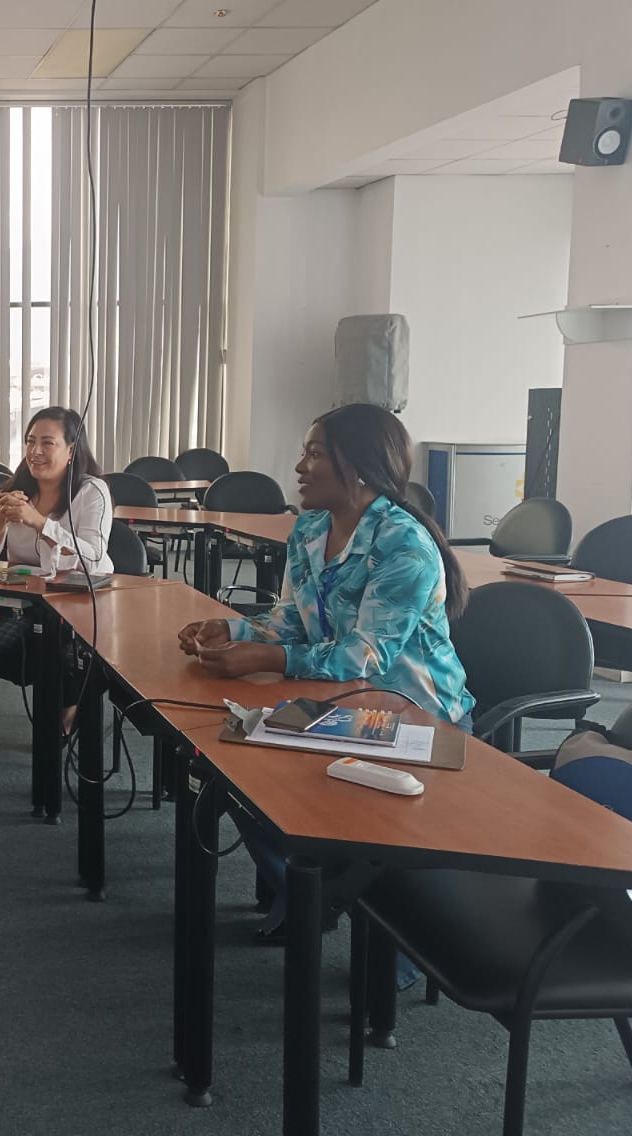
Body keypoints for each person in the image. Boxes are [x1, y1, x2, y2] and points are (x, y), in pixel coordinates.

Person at [177, 402, 472, 957]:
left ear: (355, 467)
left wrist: (270, 659)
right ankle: (316, 897)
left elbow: (365, 655)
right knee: (225, 766)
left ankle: (369, 927)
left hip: (416, 719)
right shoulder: (311, 528)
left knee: (267, 771)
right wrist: (230, 629)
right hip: (337, 702)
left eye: (314, 454)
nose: (299, 467)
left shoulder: (404, 546)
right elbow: (293, 619)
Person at [0, 406, 113, 731]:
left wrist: (40, 523)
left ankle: (68, 704)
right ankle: (64, 696)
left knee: (70, 659)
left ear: (71, 450)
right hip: (26, 601)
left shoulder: (91, 492)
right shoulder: (10, 491)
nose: (35, 451)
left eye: (47, 442)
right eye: (30, 441)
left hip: (84, 602)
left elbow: (91, 559)